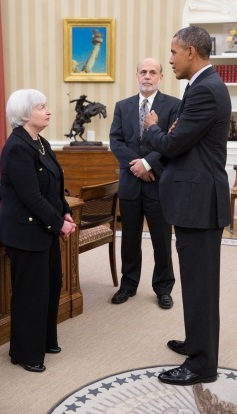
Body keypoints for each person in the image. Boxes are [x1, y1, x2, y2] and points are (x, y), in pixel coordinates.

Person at [144, 26, 231, 385]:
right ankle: (198, 344)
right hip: (195, 201)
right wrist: (170, 132)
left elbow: (174, 143)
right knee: (196, 282)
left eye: (173, 52)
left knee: (200, 285)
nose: (170, 59)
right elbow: (182, 138)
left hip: (199, 204)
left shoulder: (206, 90)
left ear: (191, 52)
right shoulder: (201, 87)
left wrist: (153, 128)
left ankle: (202, 365)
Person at [0, 89, 76, 373]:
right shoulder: (17, 146)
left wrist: (64, 209)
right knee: (30, 294)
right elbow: (31, 196)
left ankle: (44, 340)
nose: (48, 111)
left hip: (43, 231)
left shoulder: (39, 142)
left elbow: (54, 185)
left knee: (51, 286)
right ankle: (25, 352)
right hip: (24, 233)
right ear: (25, 113)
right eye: (42, 107)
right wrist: (59, 223)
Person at [110, 58, 181, 308]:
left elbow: (172, 142)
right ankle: (128, 285)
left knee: (162, 240)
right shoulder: (122, 106)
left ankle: (163, 288)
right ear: (136, 75)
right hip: (130, 182)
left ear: (161, 77)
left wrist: (148, 164)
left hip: (159, 183)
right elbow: (116, 142)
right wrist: (138, 166)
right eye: (143, 72)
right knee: (129, 238)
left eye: (152, 72)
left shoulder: (174, 105)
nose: (147, 76)